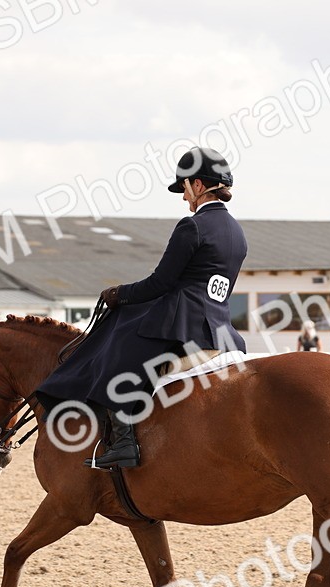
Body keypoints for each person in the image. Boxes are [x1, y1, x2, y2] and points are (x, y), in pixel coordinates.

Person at [35, 146, 248, 470]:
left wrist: (119, 294)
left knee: (115, 350)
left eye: (185, 188)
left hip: (183, 325)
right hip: (221, 329)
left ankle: (123, 442)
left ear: (199, 185)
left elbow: (161, 282)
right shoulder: (237, 232)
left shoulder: (192, 226)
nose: (183, 197)